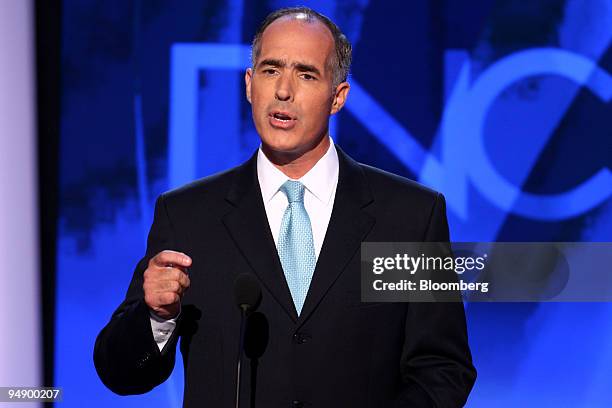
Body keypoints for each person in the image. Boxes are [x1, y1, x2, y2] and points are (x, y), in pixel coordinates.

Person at [94, 6, 476, 407]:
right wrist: (155, 316)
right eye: (270, 70)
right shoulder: (187, 217)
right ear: (248, 84)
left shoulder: (411, 217)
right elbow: (121, 374)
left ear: (338, 96)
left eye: (306, 74)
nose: (283, 91)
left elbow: (443, 368)